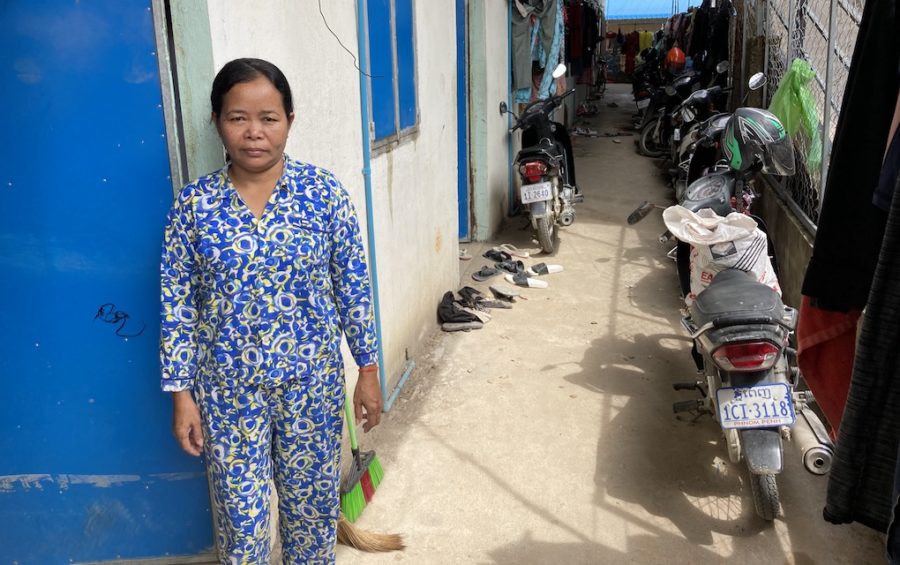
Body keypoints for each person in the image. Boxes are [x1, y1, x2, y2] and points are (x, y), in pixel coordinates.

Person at [159, 57, 383, 564]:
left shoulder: (323, 196)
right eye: (238, 118)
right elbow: (177, 306)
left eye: (269, 118)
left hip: (312, 388)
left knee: (312, 515)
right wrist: (181, 394)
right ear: (217, 121)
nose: (254, 132)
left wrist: (368, 369)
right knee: (242, 524)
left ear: (289, 121)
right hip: (227, 393)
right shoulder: (194, 208)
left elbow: (353, 289)